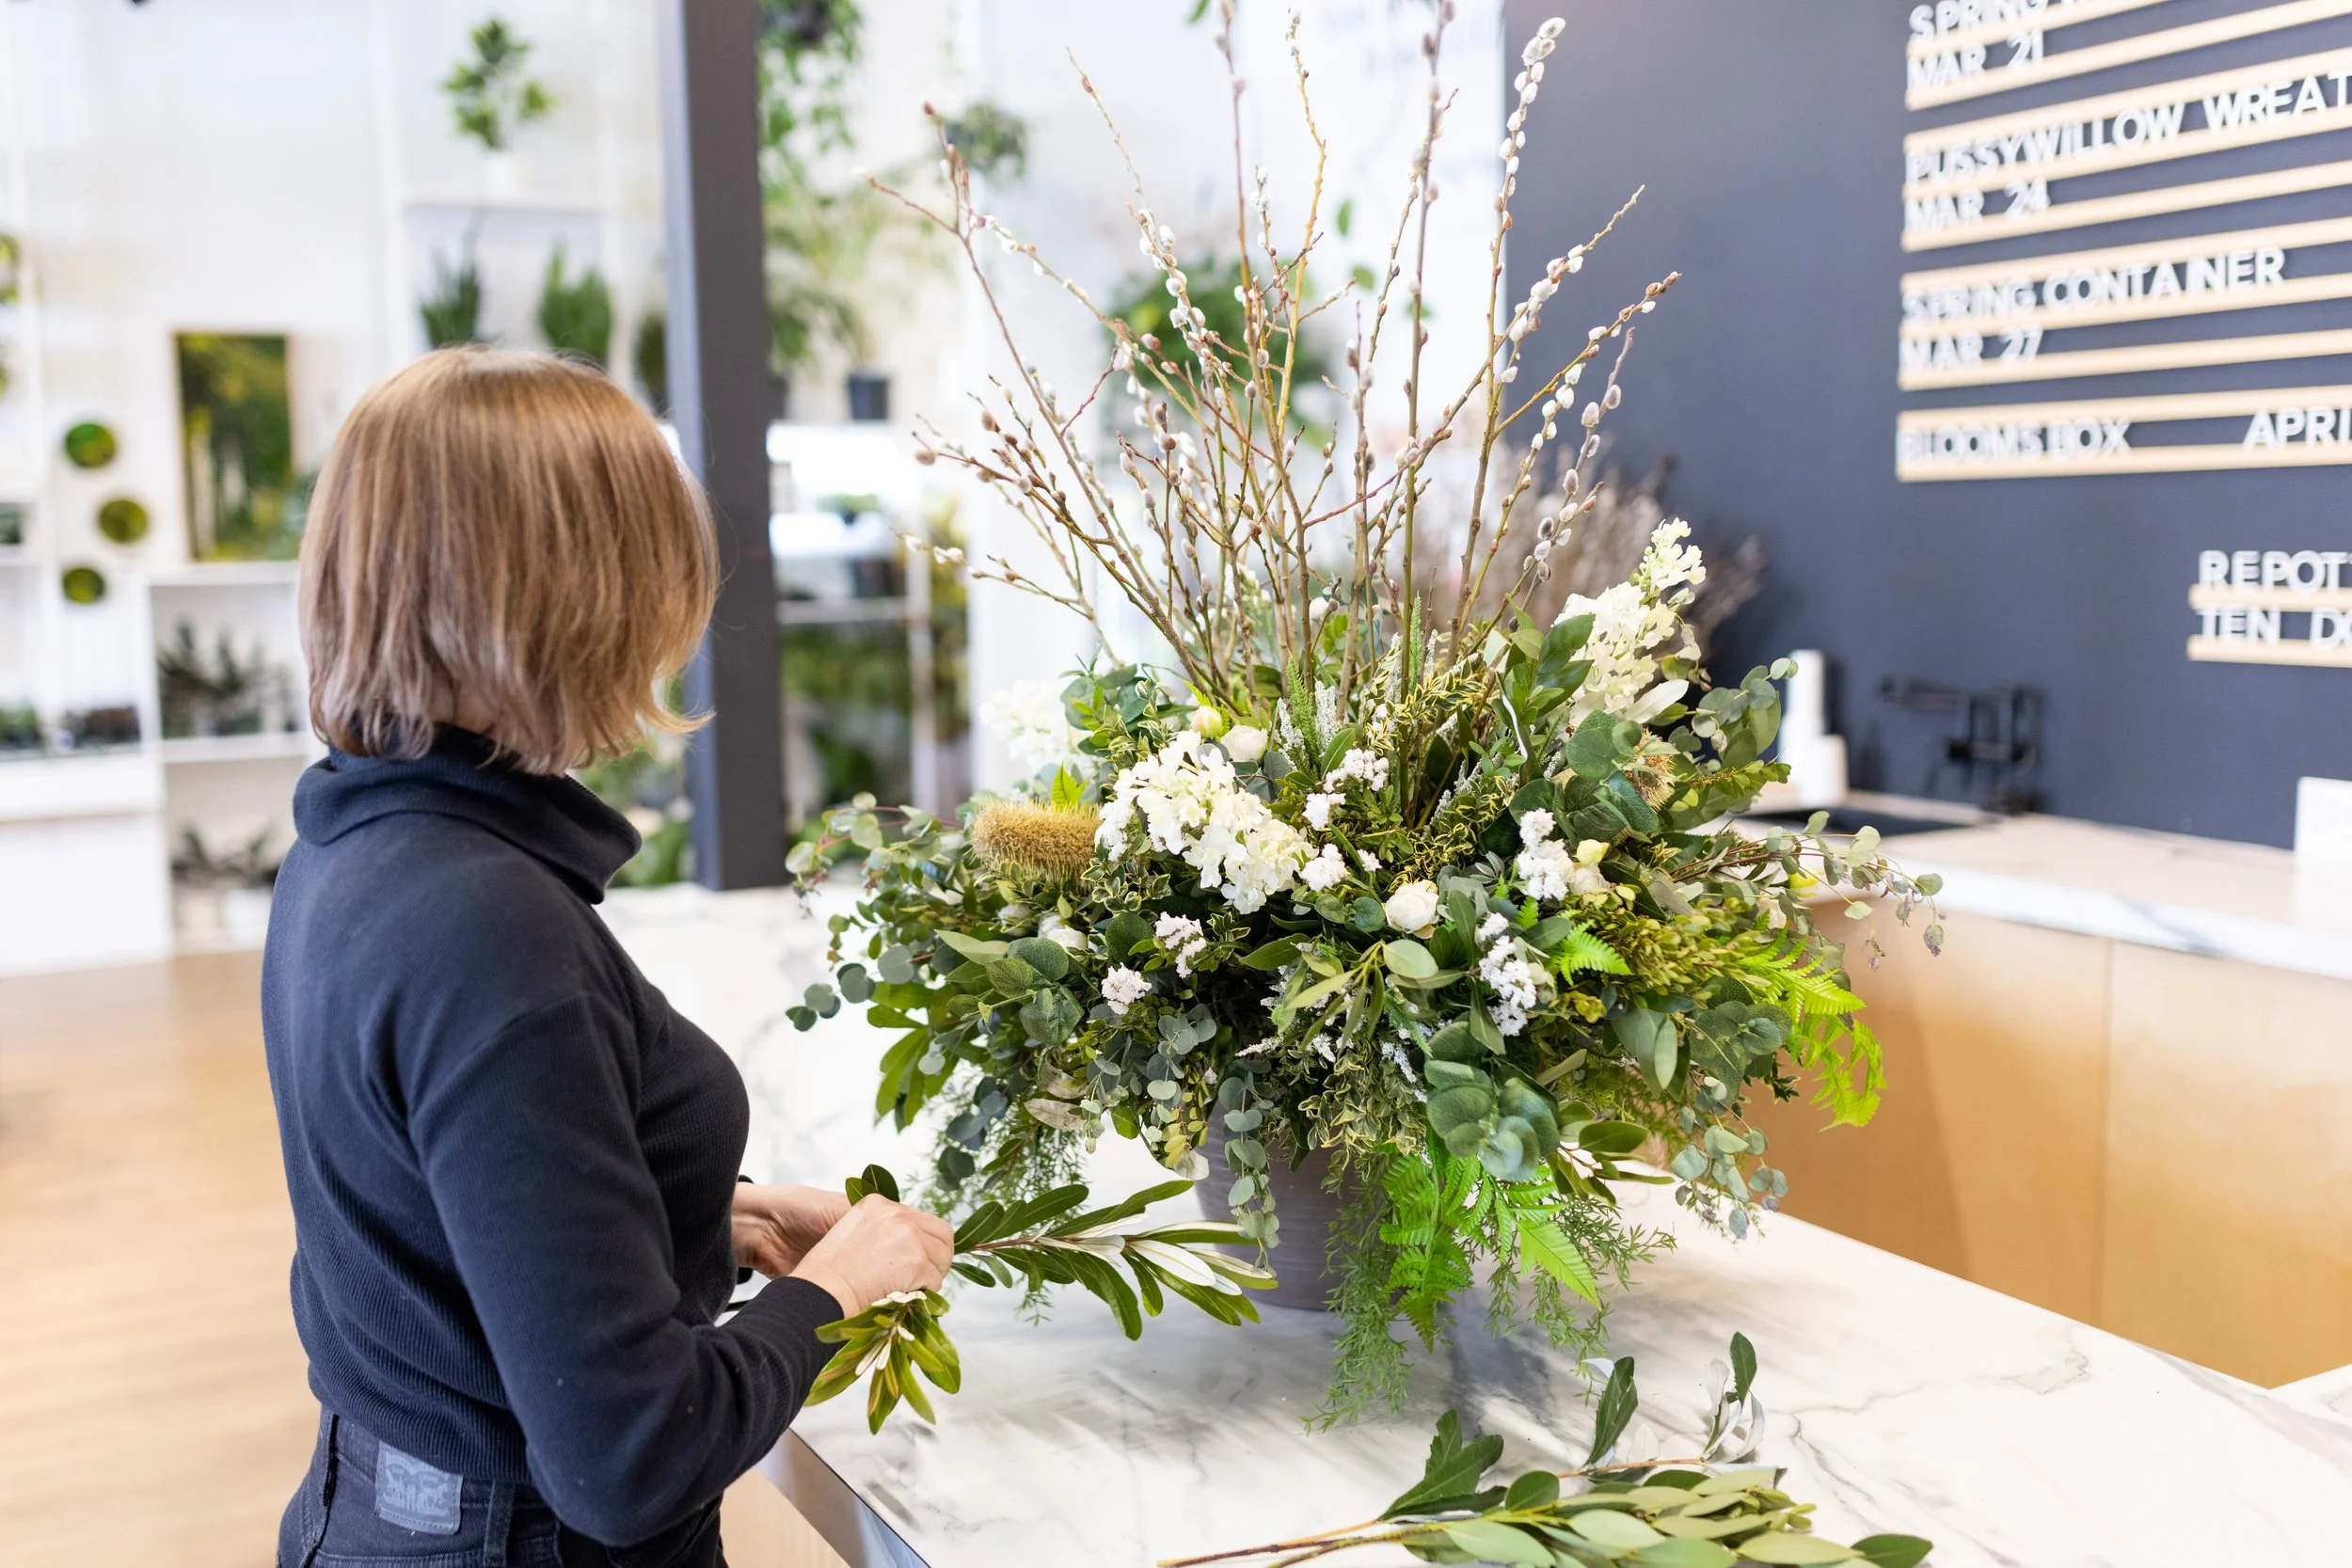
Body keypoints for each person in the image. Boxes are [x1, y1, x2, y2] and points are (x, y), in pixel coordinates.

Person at [263, 346, 953, 1568]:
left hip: (380, 1512)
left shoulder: (355, 838)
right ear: (578, 594)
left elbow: (436, 1209)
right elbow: (628, 1457)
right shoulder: (488, 929)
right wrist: (835, 1286)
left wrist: (699, 1214)